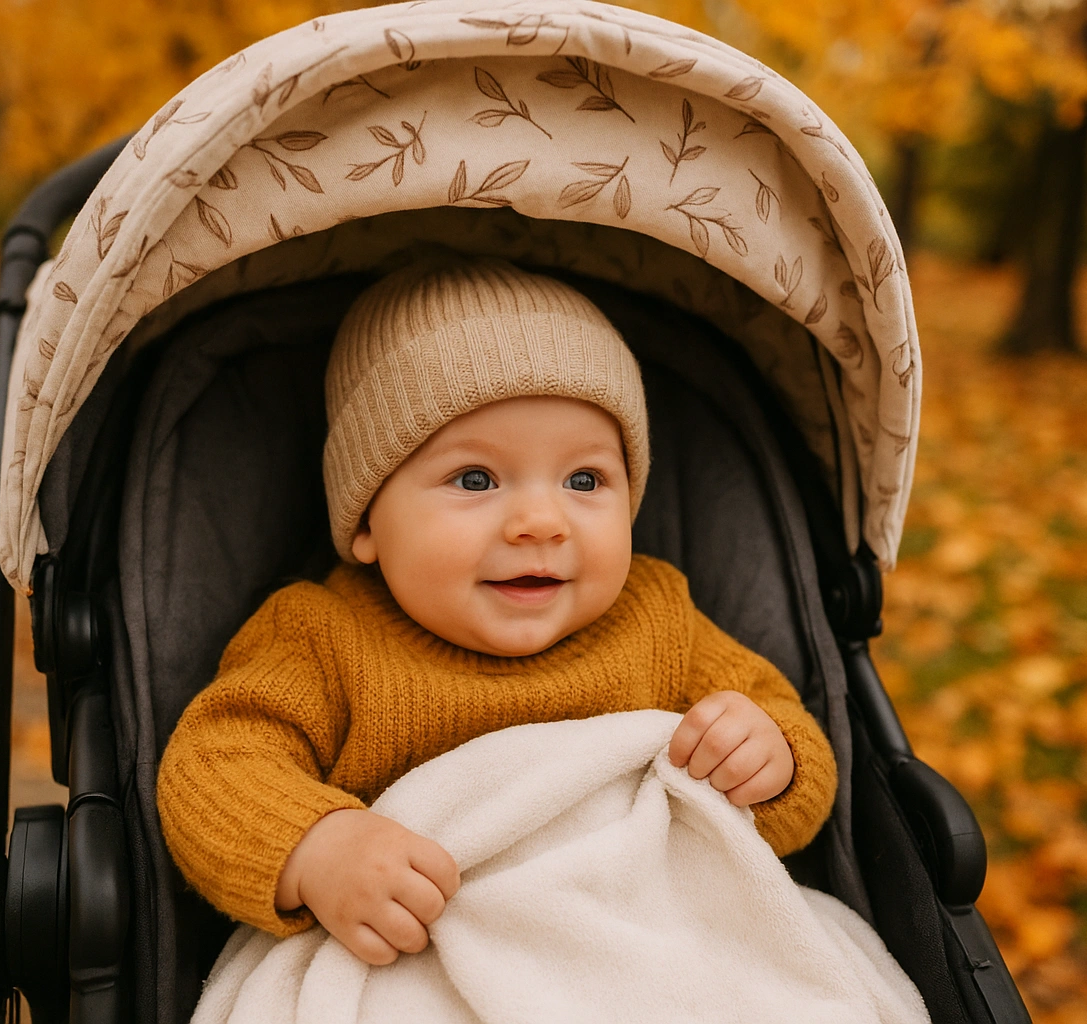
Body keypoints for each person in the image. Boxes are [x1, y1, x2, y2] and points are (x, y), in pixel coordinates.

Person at [156, 256, 837, 967]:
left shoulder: (659, 615)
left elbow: (797, 761)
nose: (541, 521)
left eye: (585, 479)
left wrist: (772, 761)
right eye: (475, 479)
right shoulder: (320, 637)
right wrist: (318, 849)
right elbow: (212, 768)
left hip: (650, 944)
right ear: (365, 522)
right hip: (428, 953)